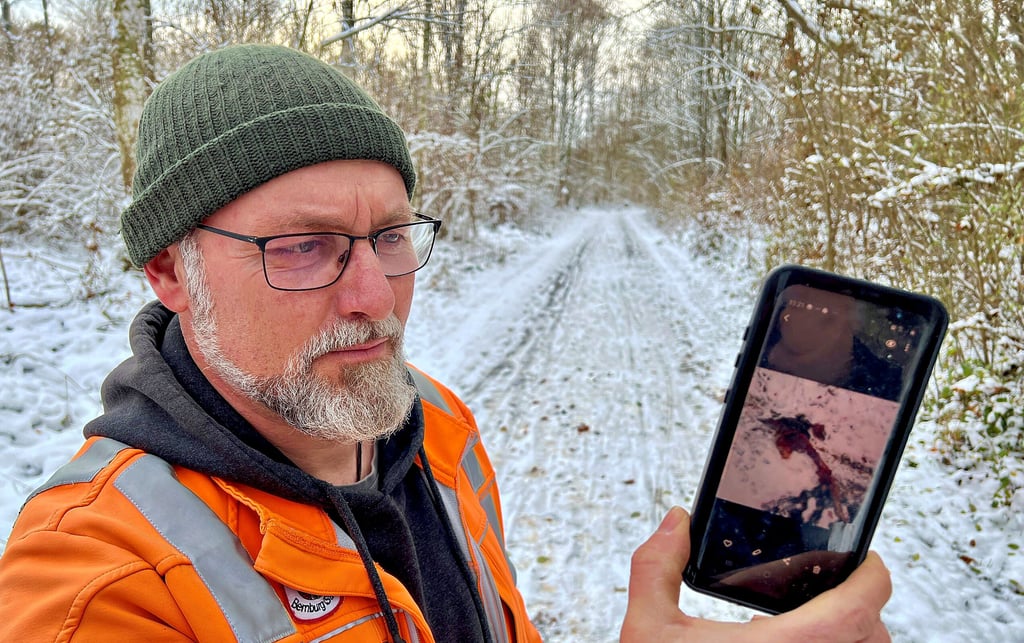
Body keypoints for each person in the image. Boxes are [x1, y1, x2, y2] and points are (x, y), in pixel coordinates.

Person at [0, 44, 893, 642]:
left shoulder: (437, 425)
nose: (373, 295)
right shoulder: (94, 586)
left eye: (389, 236)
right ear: (169, 271)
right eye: (304, 247)